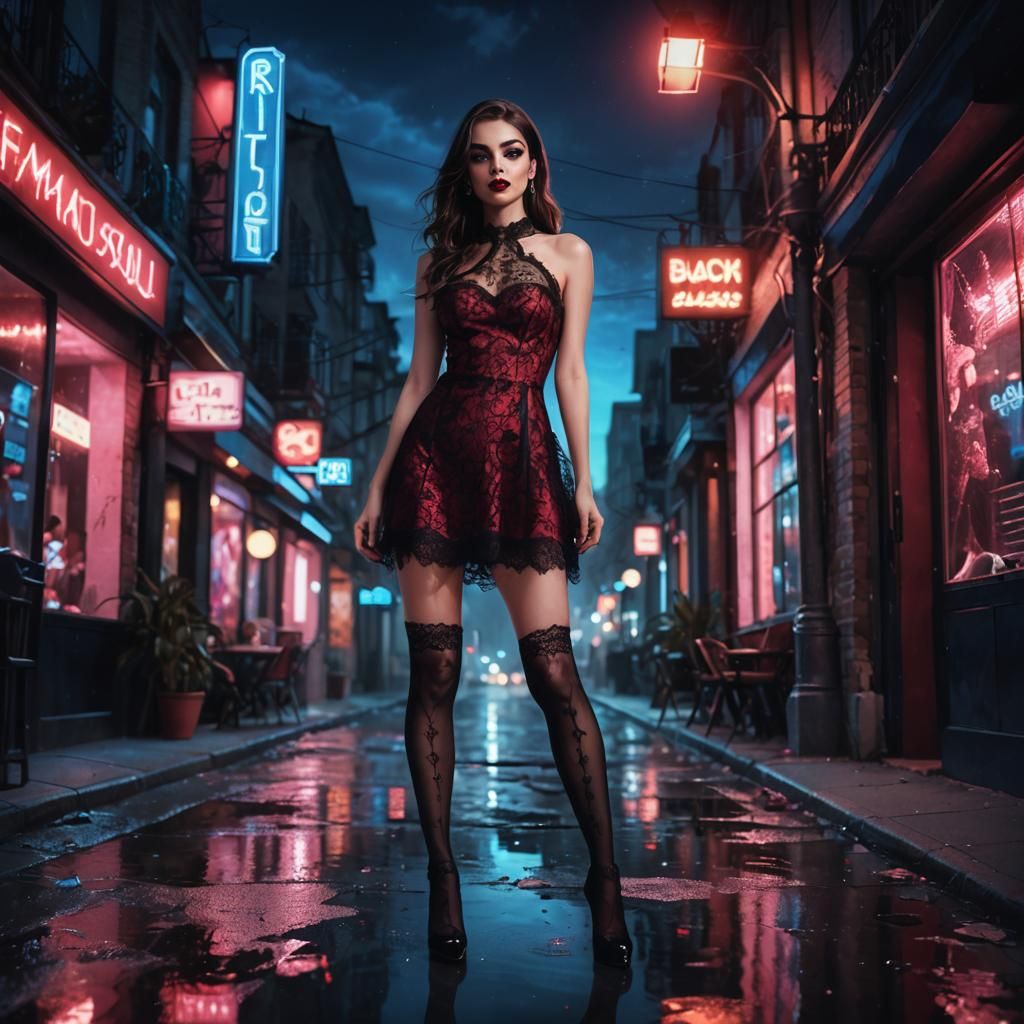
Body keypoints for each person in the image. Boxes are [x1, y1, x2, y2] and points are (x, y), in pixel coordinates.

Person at [354, 99, 630, 969]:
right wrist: (373, 487)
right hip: (433, 463)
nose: (498, 167)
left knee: (553, 670)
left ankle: (606, 878)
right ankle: (443, 877)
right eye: (480, 156)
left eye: (512, 153)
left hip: (521, 463)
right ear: (465, 170)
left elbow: (575, 373)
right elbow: (413, 384)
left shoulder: (569, 254)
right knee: (433, 670)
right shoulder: (442, 263)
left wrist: (586, 479)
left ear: (534, 164)